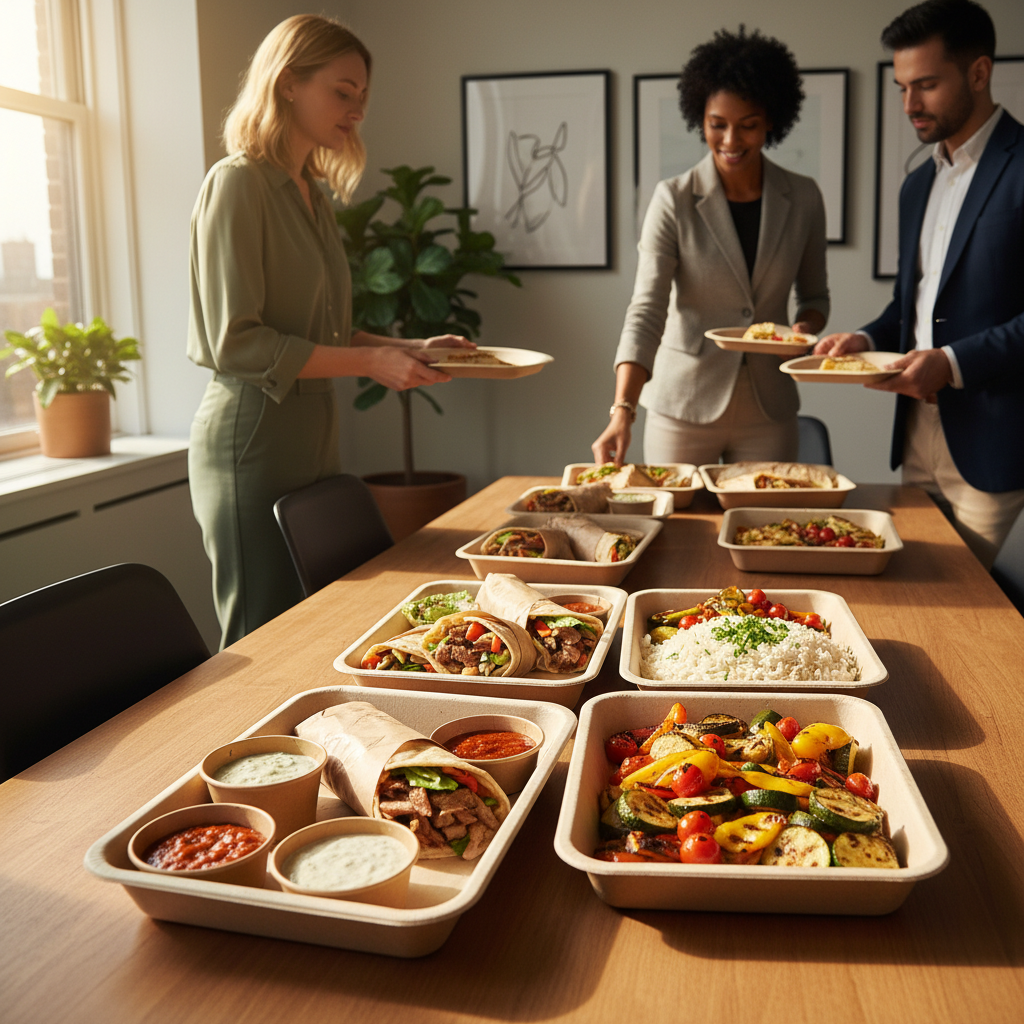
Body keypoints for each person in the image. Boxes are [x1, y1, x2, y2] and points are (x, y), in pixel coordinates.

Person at [188, 15, 469, 648]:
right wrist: (371, 365)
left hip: (313, 437)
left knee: (315, 627)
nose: (357, 110)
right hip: (252, 439)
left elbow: (328, 332)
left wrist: (409, 348)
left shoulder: (310, 194)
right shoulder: (237, 184)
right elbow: (237, 343)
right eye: (343, 92)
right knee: (260, 636)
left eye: (362, 96)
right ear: (288, 83)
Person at [814, 0, 1024, 569]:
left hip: (993, 437)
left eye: (926, 85)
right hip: (915, 429)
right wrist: (864, 338)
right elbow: (913, 306)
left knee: (952, 591)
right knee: (912, 583)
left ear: (979, 73)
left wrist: (951, 363)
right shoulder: (916, 186)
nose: (909, 104)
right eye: (902, 87)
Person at [592, 27, 829, 469]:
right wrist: (622, 409)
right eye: (717, 125)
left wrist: (803, 329)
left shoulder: (804, 197)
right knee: (676, 514)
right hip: (682, 404)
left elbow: (815, 297)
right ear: (699, 118)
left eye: (748, 125)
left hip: (769, 409)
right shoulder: (673, 199)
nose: (731, 141)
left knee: (767, 513)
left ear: (771, 120)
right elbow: (646, 311)